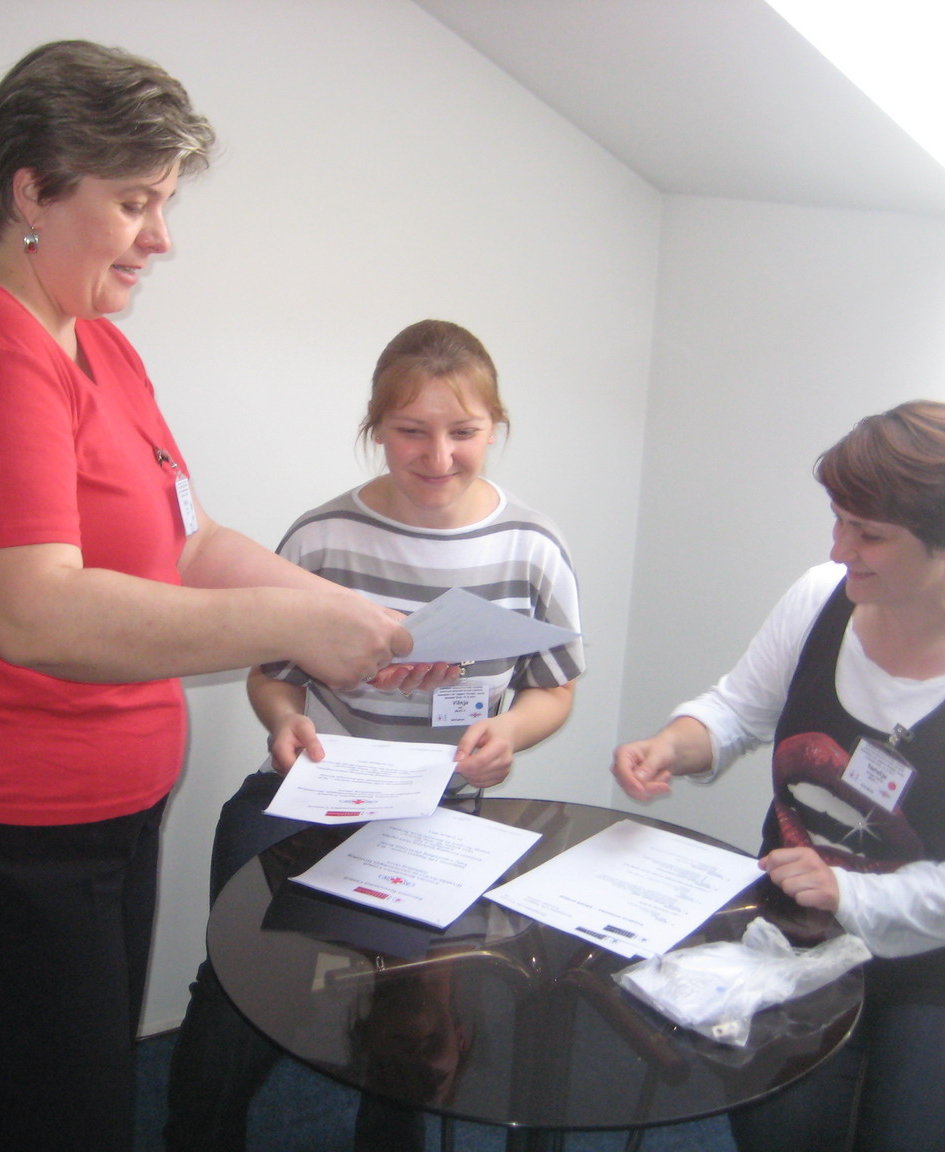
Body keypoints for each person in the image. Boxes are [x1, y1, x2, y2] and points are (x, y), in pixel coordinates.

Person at [0, 41, 410, 1152]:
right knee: (60, 1126)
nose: (161, 237)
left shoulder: (93, 341)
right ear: (32, 194)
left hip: (92, 814)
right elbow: (35, 612)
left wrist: (354, 615)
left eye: (164, 203)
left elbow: (185, 541)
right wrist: (297, 625)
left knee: (76, 1104)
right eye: (135, 203)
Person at [165, 319, 585, 1151]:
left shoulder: (531, 546)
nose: (439, 457)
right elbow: (272, 674)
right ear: (375, 428)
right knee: (243, 984)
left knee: (417, 1006)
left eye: (464, 431)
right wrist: (284, 720)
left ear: (495, 427)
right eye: (411, 431)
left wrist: (508, 730)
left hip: (441, 806)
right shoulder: (322, 536)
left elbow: (555, 688)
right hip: (316, 791)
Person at [612, 401, 945, 1152]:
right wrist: (672, 745)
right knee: (783, 1131)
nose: (840, 547)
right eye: (840, 520)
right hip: (803, 933)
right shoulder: (821, 597)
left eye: (869, 534)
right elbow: (737, 709)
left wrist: (853, 893)